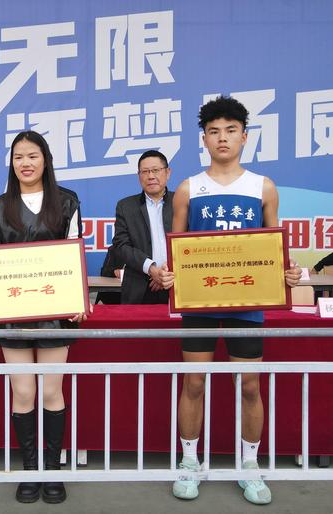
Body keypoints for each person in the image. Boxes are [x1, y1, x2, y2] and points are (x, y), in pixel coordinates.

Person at [169, 96, 301, 505]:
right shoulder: (188, 189)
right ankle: (189, 463)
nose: (222, 138)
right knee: (194, 382)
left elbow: (274, 248)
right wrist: (169, 274)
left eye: (230, 130)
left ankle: (249, 466)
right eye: (214, 131)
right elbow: (177, 251)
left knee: (248, 385)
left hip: (248, 300)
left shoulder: (263, 187)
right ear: (204, 140)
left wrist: (286, 273)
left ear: (244, 137)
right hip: (200, 304)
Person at [0, 130, 87, 504]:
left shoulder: (68, 202)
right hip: (13, 313)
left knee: (52, 391)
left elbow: (74, 253)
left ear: (46, 160)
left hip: (56, 313)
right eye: (18, 157)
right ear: (11, 163)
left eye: (32, 156)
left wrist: (78, 299)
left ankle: (51, 470)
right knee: (23, 392)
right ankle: (30, 470)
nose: (25, 163)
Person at [112, 149, 174, 304]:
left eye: (156, 170)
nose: (150, 176)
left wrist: (165, 273)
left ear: (167, 172)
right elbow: (121, 245)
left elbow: (190, 241)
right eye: (145, 171)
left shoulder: (181, 201)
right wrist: (152, 270)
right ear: (138, 175)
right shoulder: (126, 206)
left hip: (177, 284)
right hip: (139, 288)